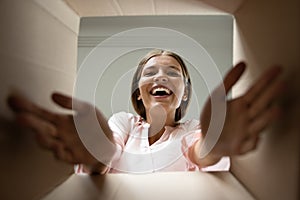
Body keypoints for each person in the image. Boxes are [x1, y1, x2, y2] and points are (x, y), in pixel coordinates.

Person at [7, 49, 283, 174]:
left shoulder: (191, 130)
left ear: (184, 92)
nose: (160, 77)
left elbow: (200, 151)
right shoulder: (125, 122)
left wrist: (215, 142)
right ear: (139, 91)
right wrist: (94, 149)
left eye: (172, 72)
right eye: (150, 72)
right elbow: (108, 151)